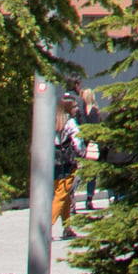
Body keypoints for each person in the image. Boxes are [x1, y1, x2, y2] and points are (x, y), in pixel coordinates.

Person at [50, 96, 83, 236]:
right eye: (74, 106)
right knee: (61, 194)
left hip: (52, 160)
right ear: (68, 108)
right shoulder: (70, 122)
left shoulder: (52, 120)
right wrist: (83, 154)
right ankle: (47, 227)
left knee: (64, 194)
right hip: (67, 162)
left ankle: (67, 227)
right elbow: (78, 141)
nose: (76, 108)